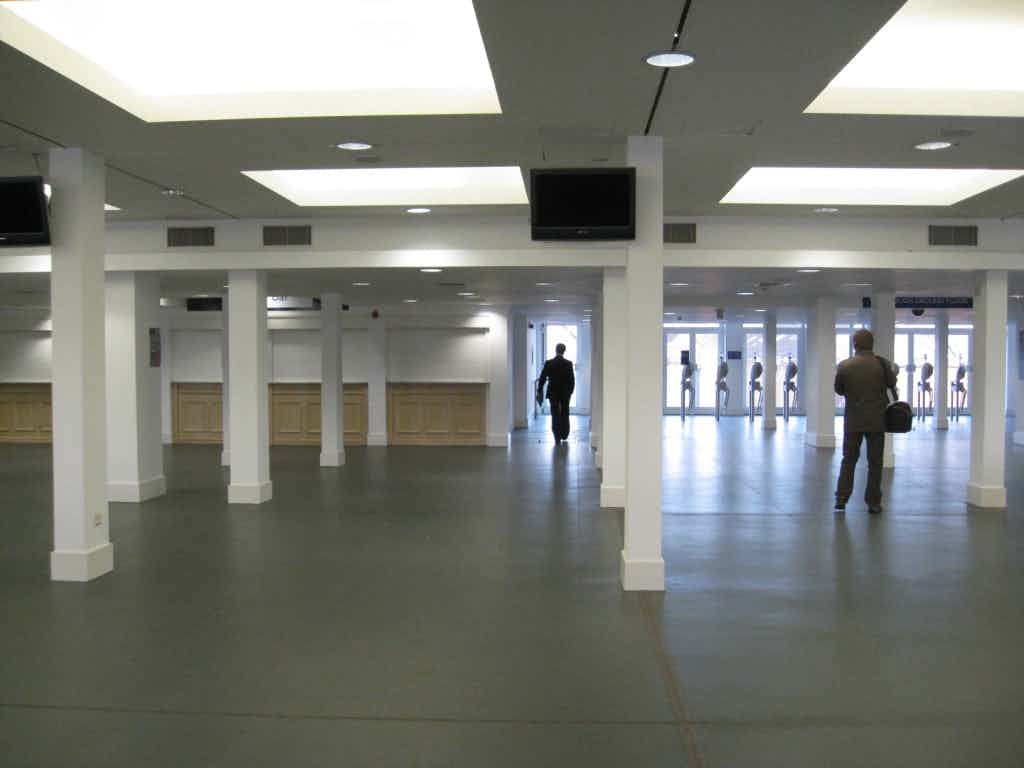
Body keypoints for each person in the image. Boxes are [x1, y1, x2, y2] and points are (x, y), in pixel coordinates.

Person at [834, 329, 898, 514]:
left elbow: (839, 390)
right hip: (876, 420)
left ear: (855, 345)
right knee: (875, 463)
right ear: (871, 344)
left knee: (849, 459)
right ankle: (873, 502)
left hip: (853, 420)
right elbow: (892, 382)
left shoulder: (845, 365)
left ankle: (841, 499)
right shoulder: (882, 364)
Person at [537, 343, 575, 443]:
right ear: (564, 351)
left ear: (556, 350)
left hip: (553, 392)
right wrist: (570, 391)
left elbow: (542, 377)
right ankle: (564, 434)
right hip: (565, 392)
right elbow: (572, 380)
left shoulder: (549, 363)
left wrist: (539, 389)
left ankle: (557, 436)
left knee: (554, 414)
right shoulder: (568, 363)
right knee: (565, 412)